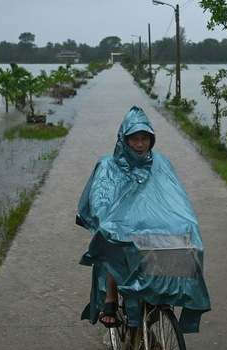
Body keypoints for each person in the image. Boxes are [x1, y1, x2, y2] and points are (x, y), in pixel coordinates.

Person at [76, 106, 211, 334]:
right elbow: (100, 200)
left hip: (156, 231)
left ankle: (150, 318)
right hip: (124, 229)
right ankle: (110, 298)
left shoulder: (162, 163)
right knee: (115, 245)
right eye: (134, 139)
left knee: (186, 249)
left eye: (145, 138)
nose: (140, 144)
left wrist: (186, 224)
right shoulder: (108, 165)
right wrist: (110, 224)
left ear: (152, 139)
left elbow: (177, 199)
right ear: (124, 140)